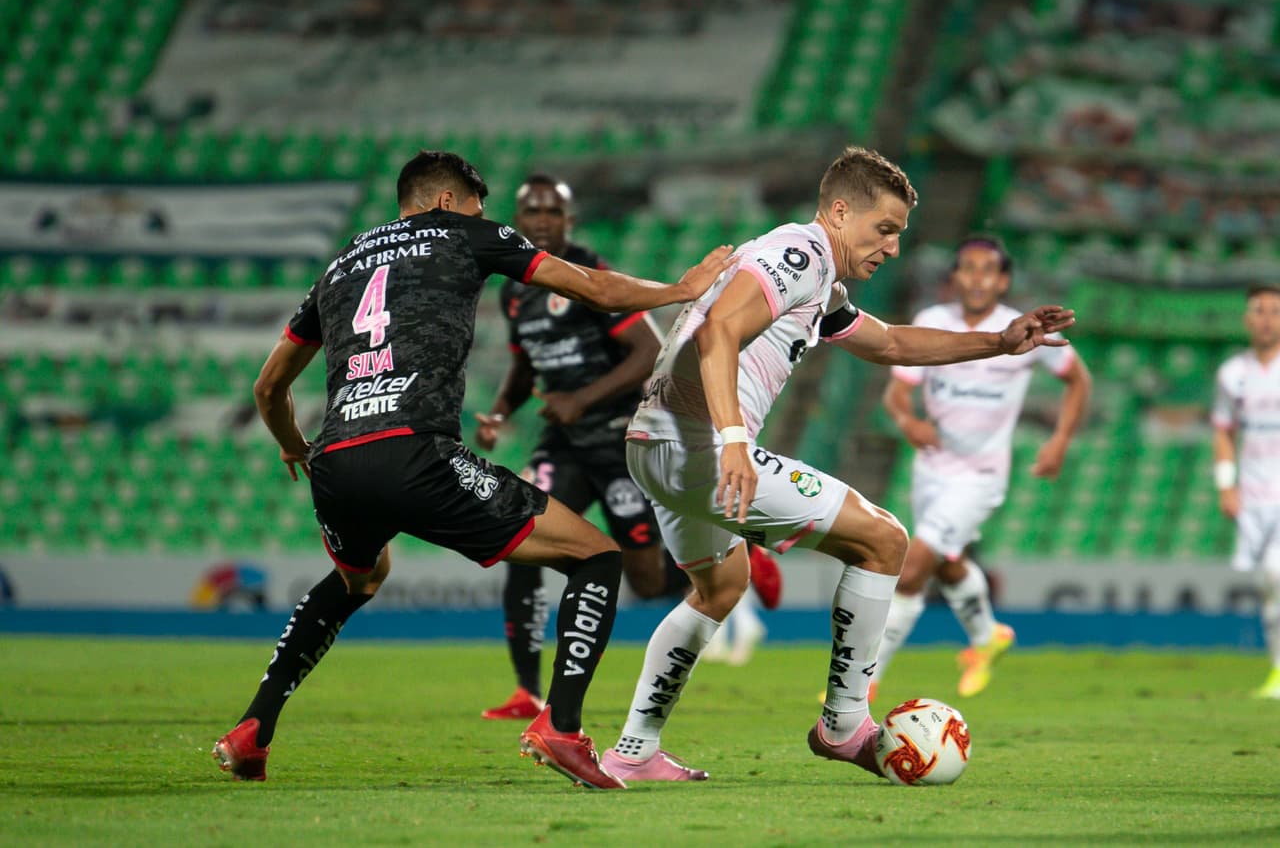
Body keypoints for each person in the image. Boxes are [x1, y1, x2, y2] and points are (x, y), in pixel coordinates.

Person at [210, 149, 733, 789]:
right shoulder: (466, 233)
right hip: (415, 452)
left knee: (356, 580)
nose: (486, 218)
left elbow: (269, 388)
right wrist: (683, 288)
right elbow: (594, 288)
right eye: (478, 208)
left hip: (336, 462)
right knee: (596, 556)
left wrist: (293, 445)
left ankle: (253, 730)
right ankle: (560, 728)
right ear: (447, 202)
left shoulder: (341, 264)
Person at [594, 145, 1075, 783]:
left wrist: (997, 342)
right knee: (884, 540)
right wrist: (733, 439)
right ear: (841, 212)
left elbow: (892, 342)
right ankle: (845, 724)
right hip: (704, 446)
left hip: (653, 448)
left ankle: (634, 752)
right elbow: (718, 335)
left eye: (900, 235)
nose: (894, 247)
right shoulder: (800, 254)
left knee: (719, 589)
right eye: (885, 230)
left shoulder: (818, 278)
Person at [477, 175, 786, 718]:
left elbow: (645, 352)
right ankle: (528, 691)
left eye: (554, 211)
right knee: (519, 539)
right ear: (518, 221)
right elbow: (526, 364)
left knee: (645, 580)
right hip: (564, 444)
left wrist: (581, 399)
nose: (543, 220)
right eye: (533, 211)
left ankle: (743, 557)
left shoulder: (591, 278)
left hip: (617, 438)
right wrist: (502, 411)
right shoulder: (515, 290)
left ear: (569, 221)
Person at [872, 234, 1092, 701]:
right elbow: (898, 390)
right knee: (948, 562)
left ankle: (864, 682)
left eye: (987, 269)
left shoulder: (1020, 330)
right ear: (954, 277)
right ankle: (988, 637)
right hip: (931, 469)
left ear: (1004, 280)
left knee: (912, 570)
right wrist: (906, 419)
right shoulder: (932, 322)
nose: (976, 277)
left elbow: (1077, 380)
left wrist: (1059, 441)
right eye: (967, 268)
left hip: (981, 475)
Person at [1212, 284, 1280, 700]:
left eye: (1275, 310)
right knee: (1267, 586)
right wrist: (1226, 485)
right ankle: (1277, 670)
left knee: (1277, 573)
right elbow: (1223, 430)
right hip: (1254, 495)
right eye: (1259, 310)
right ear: (1247, 319)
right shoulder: (1232, 374)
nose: (1268, 317)